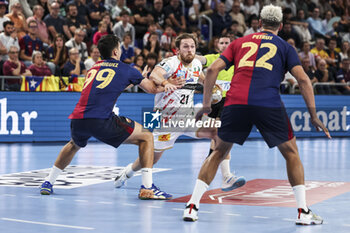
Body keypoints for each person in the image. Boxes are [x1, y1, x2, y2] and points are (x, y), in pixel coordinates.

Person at [183, 5, 331, 225]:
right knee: (291, 153)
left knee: (218, 152)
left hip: (236, 103)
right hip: (267, 104)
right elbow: (303, 80)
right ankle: (303, 212)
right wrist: (314, 115)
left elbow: (212, 70)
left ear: (259, 23)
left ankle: (192, 207)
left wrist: (206, 106)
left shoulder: (238, 43)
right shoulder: (285, 46)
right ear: (280, 26)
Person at [39, 34, 175, 200]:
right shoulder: (126, 69)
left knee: (74, 144)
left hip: (78, 118)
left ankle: (48, 182)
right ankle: (147, 188)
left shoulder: (94, 68)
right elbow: (152, 89)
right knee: (146, 136)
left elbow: (112, 84)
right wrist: (167, 84)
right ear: (116, 51)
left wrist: (138, 78)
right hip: (101, 120)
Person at [114, 33, 244, 191]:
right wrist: (165, 82)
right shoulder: (170, 63)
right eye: (185, 47)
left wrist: (214, 88)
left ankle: (226, 177)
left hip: (187, 116)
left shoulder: (196, 64)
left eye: (192, 47)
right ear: (177, 50)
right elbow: (155, 73)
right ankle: (127, 173)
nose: (189, 50)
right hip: (163, 117)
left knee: (219, 133)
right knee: (151, 158)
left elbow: (202, 78)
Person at [196, 34, 246, 190]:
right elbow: (200, 61)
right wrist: (190, 58)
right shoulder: (214, 58)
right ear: (217, 45)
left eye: (227, 43)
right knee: (218, 137)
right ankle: (215, 168)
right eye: (221, 42)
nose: (224, 45)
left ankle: (225, 175)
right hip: (214, 102)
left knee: (222, 135)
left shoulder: (238, 60)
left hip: (229, 101)